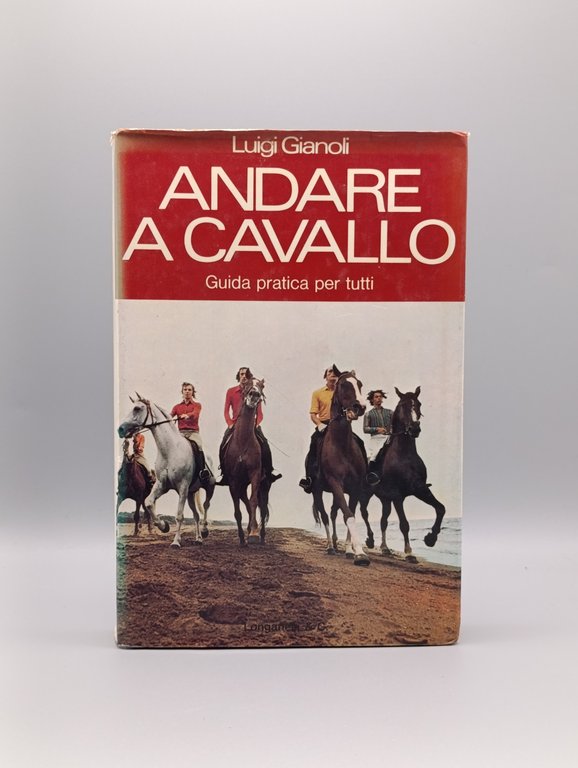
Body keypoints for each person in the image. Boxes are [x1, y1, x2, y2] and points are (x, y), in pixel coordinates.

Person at [217, 366, 281, 486]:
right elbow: (226, 411)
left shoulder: (255, 391)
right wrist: (230, 423)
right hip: (235, 425)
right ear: (238, 376)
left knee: (264, 443)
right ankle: (223, 473)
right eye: (241, 374)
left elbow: (260, 413)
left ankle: (270, 469)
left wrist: (256, 424)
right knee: (223, 444)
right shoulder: (231, 391)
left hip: (251, 425)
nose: (243, 377)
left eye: (246, 375)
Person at [299, 365, 340, 493]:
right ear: (325, 376)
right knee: (313, 445)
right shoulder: (317, 393)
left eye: (335, 372)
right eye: (330, 372)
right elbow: (313, 414)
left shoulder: (342, 392)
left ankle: (363, 476)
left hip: (340, 425)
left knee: (359, 442)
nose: (333, 373)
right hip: (324, 424)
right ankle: (309, 478)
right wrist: (319, 424)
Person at [171, 382, 213, 482]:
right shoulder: (177, 407)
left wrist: (187, 415)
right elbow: (170, 416)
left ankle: (202, 470)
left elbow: (195, 413)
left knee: (199, 446)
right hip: (181, 433)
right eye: (185, 390)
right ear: (182, 392)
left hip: (193, 433)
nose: (187, 391)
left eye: (189, 390)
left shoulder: (197, 405)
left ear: (193, 392)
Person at [363, 389, 393, 485]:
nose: (379, 398)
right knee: (373, 455)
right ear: (372, 400)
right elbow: (365, 429)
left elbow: (394, 424)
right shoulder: (368, 414)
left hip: (389, 437)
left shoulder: (390, 412)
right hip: (376, 438)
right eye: (376, 397)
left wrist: (390, 430)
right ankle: (371, 475)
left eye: (380, 396)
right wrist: (377, 429)